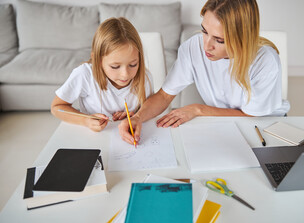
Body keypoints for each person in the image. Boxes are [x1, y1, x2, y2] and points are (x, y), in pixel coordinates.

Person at [119, 0, 290, 144]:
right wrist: (138, 118)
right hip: (225, 126)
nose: (206, 46)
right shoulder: (193, 48)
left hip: (265, 128)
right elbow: (164, 96)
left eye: (219, 40)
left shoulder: (264, 60)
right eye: (204, 31)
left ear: (242, 38)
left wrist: (198, 110)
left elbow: (251, 116)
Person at [51, 17, 152, 132]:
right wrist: (86, 121)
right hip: (94, 138)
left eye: (133, 65)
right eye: (115, 67)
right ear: (98, 60)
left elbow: (149, 109)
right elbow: (57, 108)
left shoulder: (145, 77)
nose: (125, 75)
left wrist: (134, 116)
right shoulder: (85, 75)